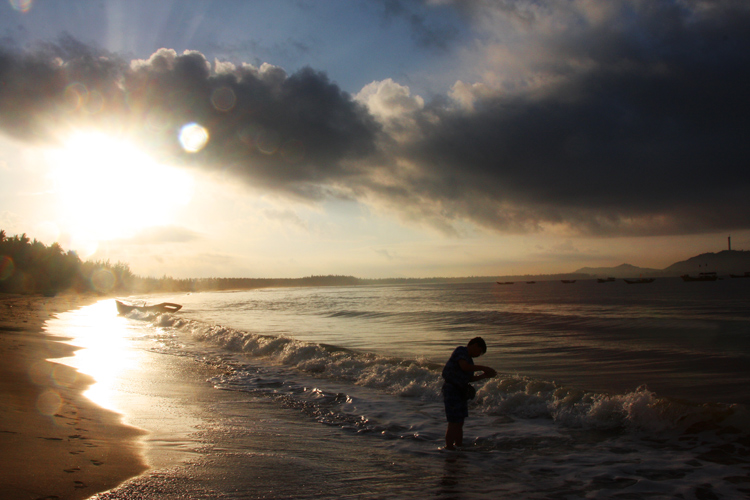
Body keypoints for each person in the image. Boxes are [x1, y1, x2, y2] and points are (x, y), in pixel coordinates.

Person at [441, 336, 496, 450]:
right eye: (479, 352)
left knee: (460, 421)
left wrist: (484, 376)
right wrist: (483, 368)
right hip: (452, 389)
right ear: (475, 345)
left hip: (460, 391)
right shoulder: (461, 351)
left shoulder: (469, 360)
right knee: (453, 421)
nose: (478, 355)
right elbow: (464, 367)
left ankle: (459, 446)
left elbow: (469, 378)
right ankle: (449, 447)